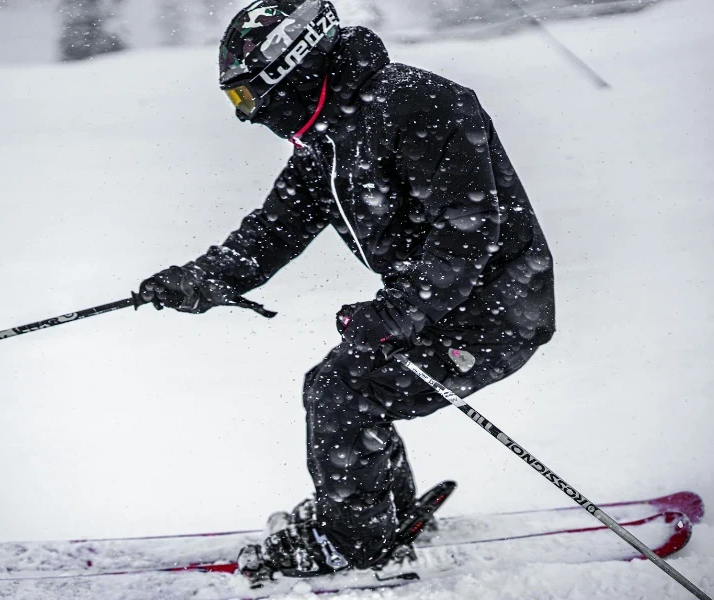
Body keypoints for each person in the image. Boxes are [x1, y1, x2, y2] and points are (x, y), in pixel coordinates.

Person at [138, 0, 555, 578]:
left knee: (343, 389)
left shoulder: (419, 104)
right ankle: (384, 512)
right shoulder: (330, 137)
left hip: (496, 310)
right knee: (347, 385)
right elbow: (274, 229)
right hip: (438, 308)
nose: (247, 114)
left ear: (293, 66)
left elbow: (468, 229)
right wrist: (203, 279)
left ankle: (355, 546)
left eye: (246, 95)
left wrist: (397, 313)